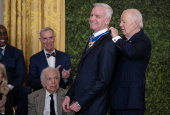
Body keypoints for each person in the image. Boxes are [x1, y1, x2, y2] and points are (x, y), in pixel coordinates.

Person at [62, 3, 117, 115]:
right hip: (82, 105)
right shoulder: (93, 39)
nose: (92, 18)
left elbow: (103, 80)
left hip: (94, 107)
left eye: (97, 16)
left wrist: (80, 103)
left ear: (107, 20)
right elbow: (82, 74)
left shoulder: (108, 43)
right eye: (91, 15)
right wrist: (69, 95)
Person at [109, 9, 152, 115]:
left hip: (131, 102)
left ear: (136, 23)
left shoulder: (143, 41)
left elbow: (132, 52)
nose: (120, 25)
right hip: (116, 101)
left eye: (124, 21)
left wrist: (116, 38)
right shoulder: (122, 41)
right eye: (120, 22)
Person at [0, 25, 31, 115]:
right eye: (0, 34)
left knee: (26, 90)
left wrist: (8, 87)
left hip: (11, 88)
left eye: (4, 34)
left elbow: (21, 76)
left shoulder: (17, 53)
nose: (2, 36)